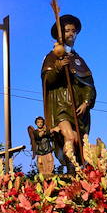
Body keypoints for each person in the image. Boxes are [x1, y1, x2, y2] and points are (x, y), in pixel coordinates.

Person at [41, 14, 96, 170]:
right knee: (69, 137)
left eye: (73, 31)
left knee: (78, 141)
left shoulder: (79, 60)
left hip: (79, 110)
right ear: (60, 34)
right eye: (67, 31)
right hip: (61, 106)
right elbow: (47, 80)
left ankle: (76, 170)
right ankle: (71, 168)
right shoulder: (52, 57)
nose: (71, 34)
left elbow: (89, 85)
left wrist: (86, 102)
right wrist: (58, 67)